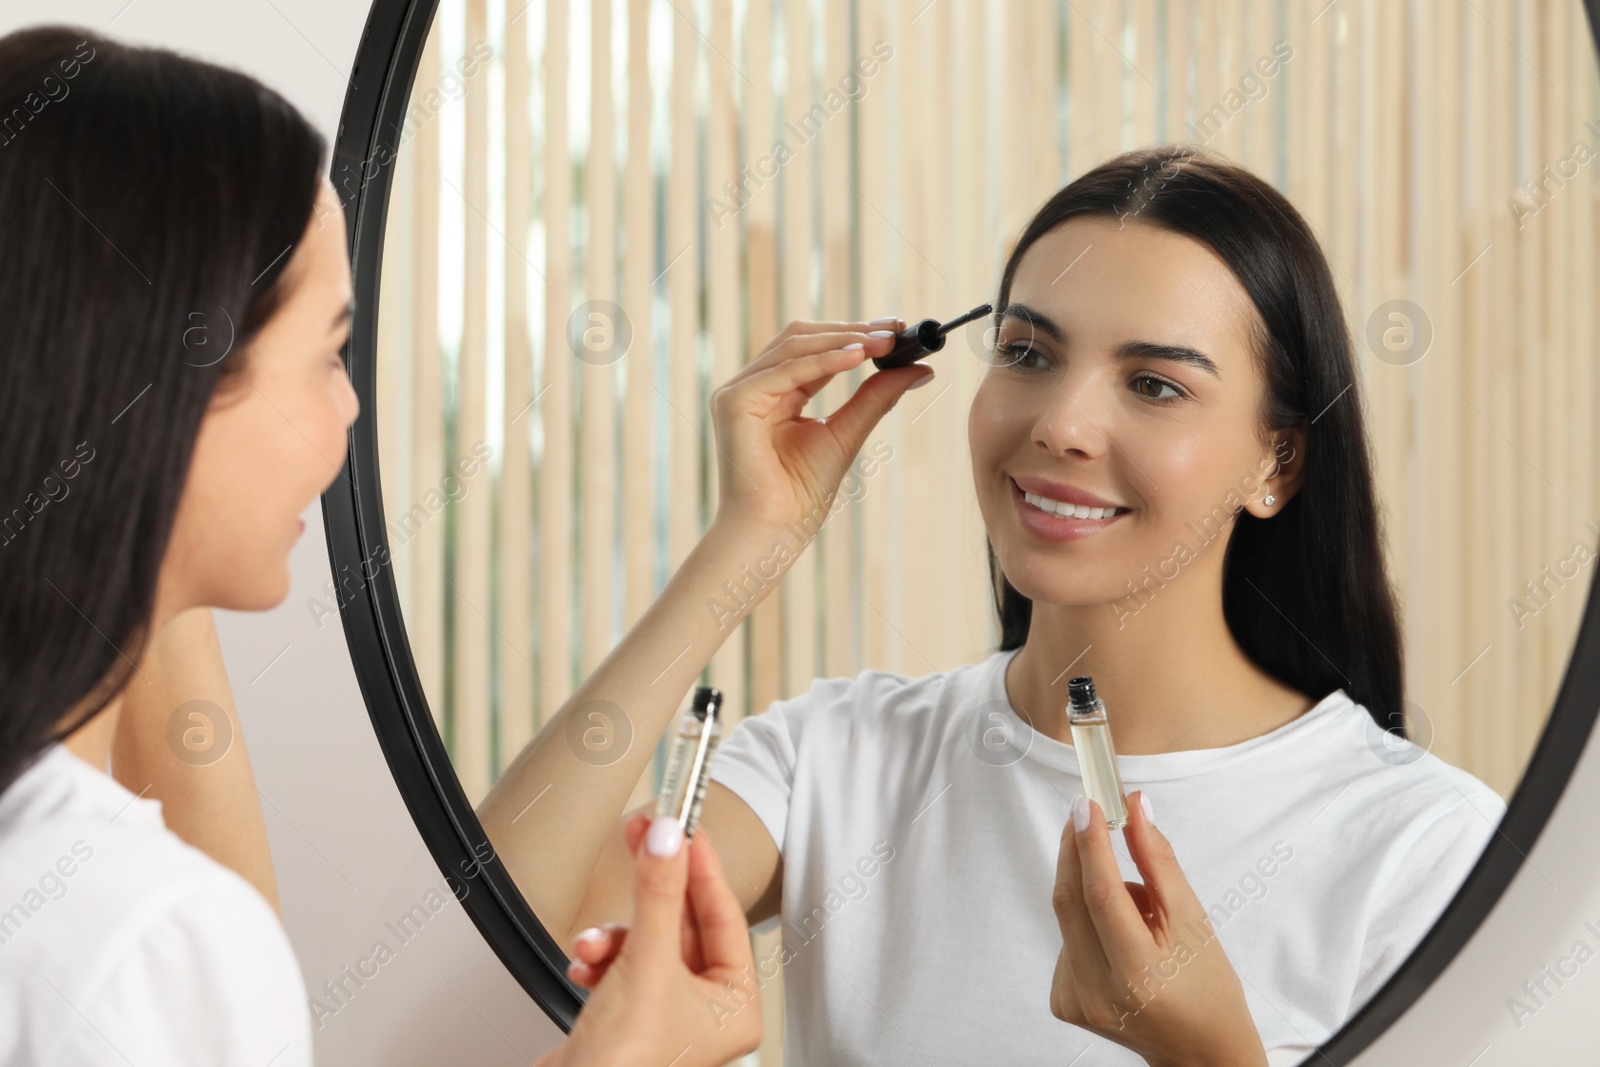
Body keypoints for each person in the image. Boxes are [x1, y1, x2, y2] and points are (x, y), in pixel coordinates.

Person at [481, 144, 1508, 1065]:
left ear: (1276, 460)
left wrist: (1212, 1058)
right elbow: (489, 947)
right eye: (1026, 353)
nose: (1061, 423)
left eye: (1152, 384)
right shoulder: (839, 759)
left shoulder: (1422, 849)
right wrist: (747, 540)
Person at [0, 25, 758, 1067]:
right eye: (327, 355)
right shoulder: (140, 939)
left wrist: (140, 545)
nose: (350, 411)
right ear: (175, 389)